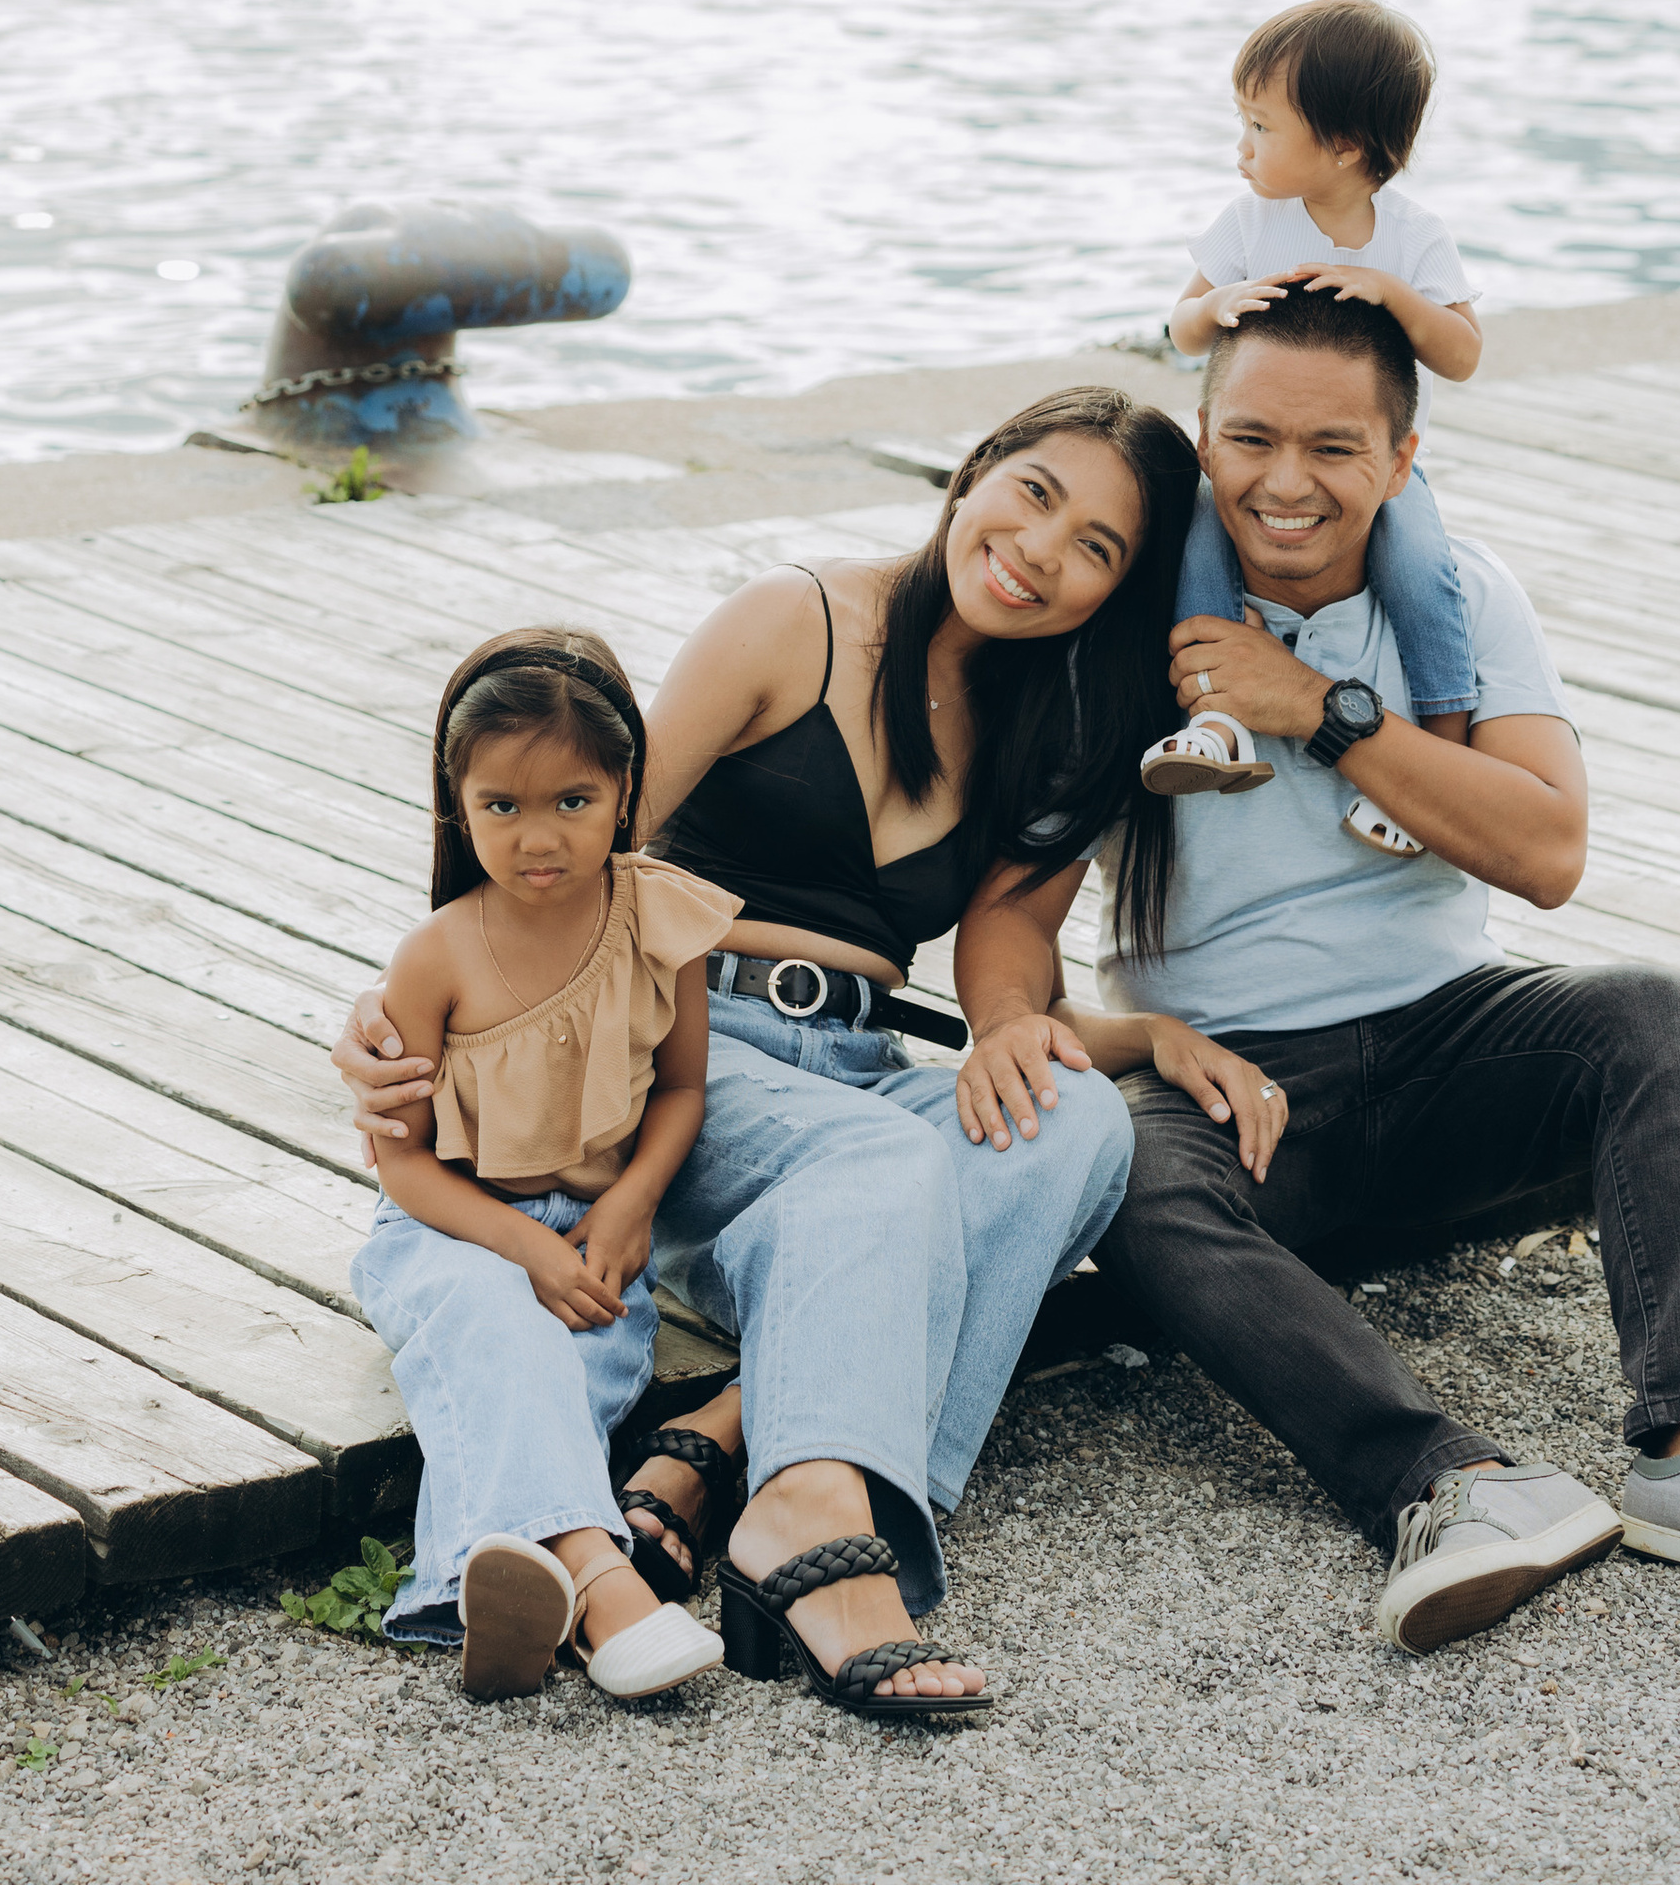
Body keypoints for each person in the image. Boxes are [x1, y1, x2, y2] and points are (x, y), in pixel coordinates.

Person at [954, 283, 1680, 1655]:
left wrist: (1321, 712)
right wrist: (1006, 1028)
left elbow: (1549, 848)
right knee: (1131, 1172)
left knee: (1649, 1016)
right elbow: (1011, 913)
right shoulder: (1140, 627)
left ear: (1401, 461)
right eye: (1252, 441)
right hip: (1245, 1098)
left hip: (1457, 1045)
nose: (1286, 484)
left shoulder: (1459, 599)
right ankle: (1448, 1485)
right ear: (1205, 439)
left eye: (1334, 449)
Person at [340, 388, 1222, 1722]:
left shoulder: (1043, 720)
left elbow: (1003, 943)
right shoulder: (791, 623)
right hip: (678, 1055)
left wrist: (1027, 1031)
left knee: (1082, 1125)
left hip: (854, 1072)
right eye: (1035, 493)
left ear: (1113, 593)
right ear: (975, 472)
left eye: (1097, 547)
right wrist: (436, 1021)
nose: (1044, 551)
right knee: (878, 1158)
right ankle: (811, 1528)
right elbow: (583, 839)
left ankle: (727, 1443)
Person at [347, 626, 732, 1702]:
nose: (536, 836)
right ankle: (608, 1592)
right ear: (456, 807)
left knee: (575, 1378)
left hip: (597, 1232)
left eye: (572, 800)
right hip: (451, 1229)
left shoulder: (662, 917)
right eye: (499, 807)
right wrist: (522, 1244)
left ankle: (490, 1588)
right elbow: (405, 1170)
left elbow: (682, 1089)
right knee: (493, 1318)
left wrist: (630, 1208)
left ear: (624, 792)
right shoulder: (436, 956)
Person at [1145, 0, 1481, 863]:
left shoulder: (1411, 238)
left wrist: (1398, 299)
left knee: (1423, 575)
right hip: (1248, 462)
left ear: (1344, 145)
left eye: (1261, 126)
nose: (1243, 148)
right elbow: (1179, 331)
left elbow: (1464, 352)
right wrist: (1219, 303)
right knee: (1197, 551)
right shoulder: (1251, 223)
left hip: (1375, 476)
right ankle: (1215, 723)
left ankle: (1442, 753)